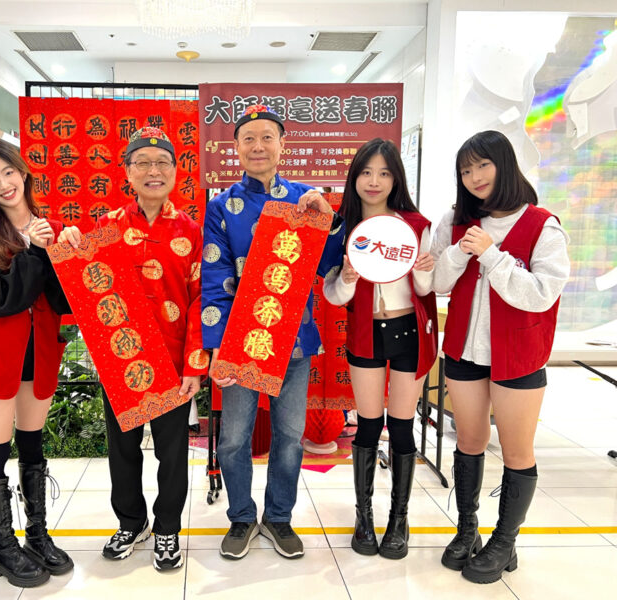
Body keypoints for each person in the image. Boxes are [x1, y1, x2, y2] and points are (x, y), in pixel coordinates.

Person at [58, 126, 208, 571]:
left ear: (176, 171)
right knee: (122, 449)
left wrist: (194, 365)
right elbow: (88, 285)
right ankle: (131, 521)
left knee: (171, 453)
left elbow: (201, 300)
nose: (153, 171)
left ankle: (167, 528)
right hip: (121, 359)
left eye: (162, 162)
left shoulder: (191, 230)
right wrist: (68, 242)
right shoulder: (107, 227)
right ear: (127, 171)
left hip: (173, 360)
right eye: (142, 162)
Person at [202, 105, 345, 560]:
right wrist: (217, 346)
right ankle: (242, 517)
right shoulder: (221, 207)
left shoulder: (307, 201)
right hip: (240, 341)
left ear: (283, 144)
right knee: (232, 438)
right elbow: (215, 277)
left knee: (289, 435)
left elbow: (329, 265)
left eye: (267, 137)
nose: (258, 146)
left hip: (295, 339)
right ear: (236, 148)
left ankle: (279, 517)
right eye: (248, 138)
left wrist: (329, 221)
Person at [431, 130, 570, 583]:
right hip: (464, 351)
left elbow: (542, 295)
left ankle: (504, 540)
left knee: (516, 450)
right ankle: (467, 529)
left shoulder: (542, 225)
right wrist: (459, 252)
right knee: (469, 441)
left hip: (520, 355)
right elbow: (437, 282)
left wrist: (493, 256)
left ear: (504, 164)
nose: (474, 177)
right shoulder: (456, 219)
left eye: (482, 165)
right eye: (465, 170)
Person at [0, 139, 72, 588]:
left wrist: (64, 252)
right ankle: (4, 549)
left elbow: (65, 302)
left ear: (23, 172)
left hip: (40, 349)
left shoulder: (55, 228)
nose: (4, 184)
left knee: (33, 443)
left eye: (8, 172)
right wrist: (33, 249)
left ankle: (37, 536)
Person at [321, 138, 437, 559]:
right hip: (365, 333)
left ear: (396, 179)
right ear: (354, 177)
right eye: (366, 172)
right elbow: (333, 294)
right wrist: (348, 278)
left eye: (384, 173)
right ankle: (364, 517)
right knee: (369, 425)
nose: (374, 181)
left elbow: (427, 288)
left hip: (409, 331)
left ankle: (399, 519)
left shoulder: (416, 225)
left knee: (402, 426)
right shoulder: (342, 228)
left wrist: (424, 271)